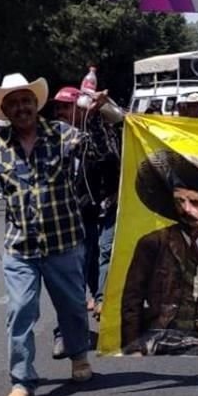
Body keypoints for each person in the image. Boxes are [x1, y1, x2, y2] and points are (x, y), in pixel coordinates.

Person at [0, 73, 110, 396]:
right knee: (19, 311)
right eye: (14, 103)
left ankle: (79, 357)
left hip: (64, 242)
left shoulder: (61, 134)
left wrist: (100, 115)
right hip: (21, 248)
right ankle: (22, 381)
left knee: (73, 308)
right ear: (4, 110)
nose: (21, 108)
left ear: (37, 104)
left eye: (26, 101)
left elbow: (98, 152)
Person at [121, 149, 198, 356]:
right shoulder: (153, 243)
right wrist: (133, 346)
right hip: (158, 338)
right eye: (180, 201)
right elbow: (132, 299)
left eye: (194, 203)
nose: (187, 209)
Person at [50, 86, 122, 332]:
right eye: (57, 107)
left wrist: (93, 116)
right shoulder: (51, 137)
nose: (61, 112)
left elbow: (104, 154)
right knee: (78, 266)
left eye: (66, 107)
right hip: (70, 214)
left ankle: (101, 301)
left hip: (103, 206)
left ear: (80, 109)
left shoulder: (95, 133)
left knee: (101, 253)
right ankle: (69, 327)